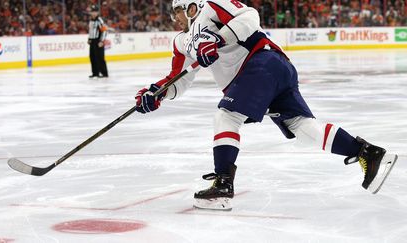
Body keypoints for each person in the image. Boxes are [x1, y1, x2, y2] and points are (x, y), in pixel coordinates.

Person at [134, 0, 398, 210]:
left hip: (261, 63)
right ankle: (369, 154)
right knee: (302, 128)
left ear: (191, 7)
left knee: (227, 115)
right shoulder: (181, 42)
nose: (174, 19)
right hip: (270, 74)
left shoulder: (212, 7)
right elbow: (178, 79)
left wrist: (218, 39)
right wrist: (156, 93)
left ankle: (223, 183)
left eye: (176, 12)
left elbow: (249, 17)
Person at [87, 4, 109, 78]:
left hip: (98, 41)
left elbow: (105, 31)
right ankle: (95, 73)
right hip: (92, 41)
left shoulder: (99, 20)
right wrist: (89, 39)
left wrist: (101, 41)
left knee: (100, 57)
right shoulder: (91, 20)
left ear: (97, 13)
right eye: (92, 11)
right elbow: (90, 31)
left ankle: (104, 73)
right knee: (92, 57)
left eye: (95, 11)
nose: (93, 13)